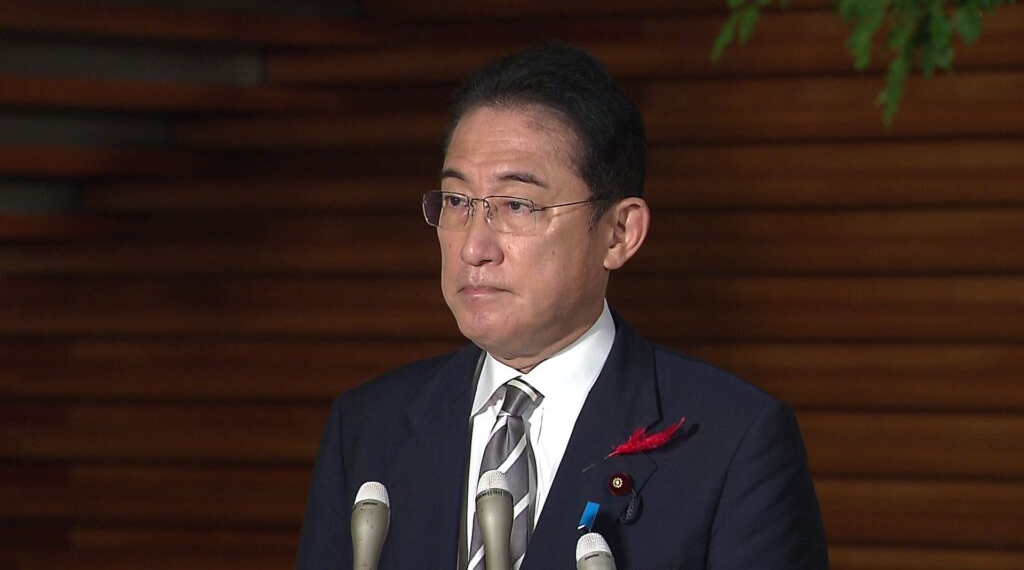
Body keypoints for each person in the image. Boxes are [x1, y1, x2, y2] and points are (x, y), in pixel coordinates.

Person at [297, 43, 829, 570]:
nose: (473, 247)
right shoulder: (367, 427)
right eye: (457, 202)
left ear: (619, 233)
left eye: (517, 205)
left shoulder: (733, 442)